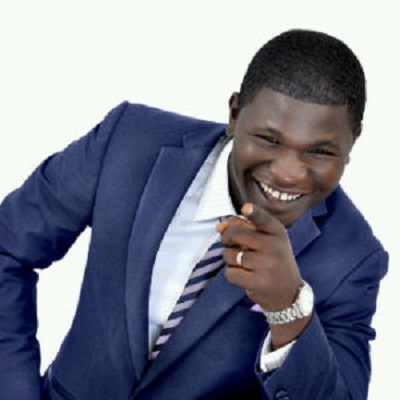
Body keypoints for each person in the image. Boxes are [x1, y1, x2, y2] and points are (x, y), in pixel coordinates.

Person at [0, 29, 388, 400]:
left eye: (319, 152)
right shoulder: (127, 139)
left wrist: (289, 309)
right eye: (269, 139)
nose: (288, 173)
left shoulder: (354, 259)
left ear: (352, 143)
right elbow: (9, 247)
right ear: (235, 114)